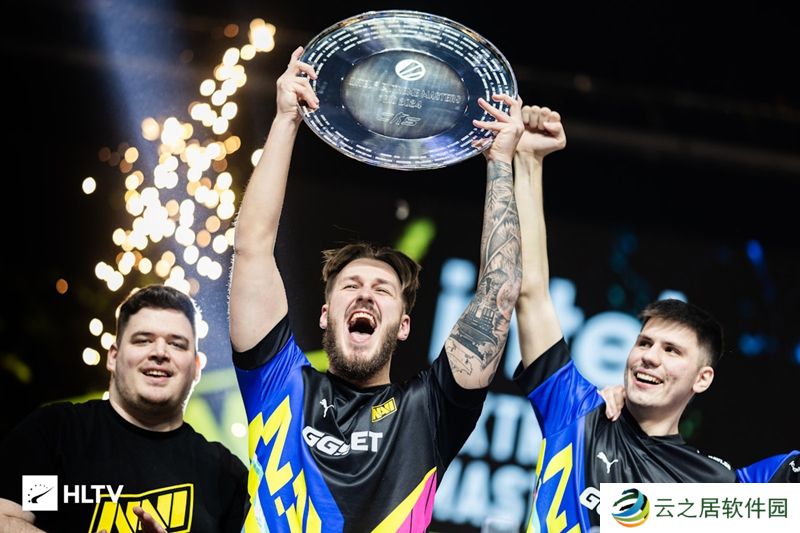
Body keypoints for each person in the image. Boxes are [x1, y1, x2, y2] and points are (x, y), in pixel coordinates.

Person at [228, 46, 523, 532]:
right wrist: (285, 121)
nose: (365, 294)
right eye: (351, 285)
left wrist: (500, 161)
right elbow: (253, 248)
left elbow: (498, 294)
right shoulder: (278, 384)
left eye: (383, 290)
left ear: (403, 325)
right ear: (325, 314)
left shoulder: (429, 412)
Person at [511, 105, 738, 532]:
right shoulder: (576, 412)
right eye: (644, 343)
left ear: (702, 378)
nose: (649, 356)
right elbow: (530, 293)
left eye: (672, 350)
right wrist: (527, 160)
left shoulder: (714, 486)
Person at [0, 284, 248, 533]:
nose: (160, 352)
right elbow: (7, 518)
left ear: (196, 367)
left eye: (176, 344)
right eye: (143, 340)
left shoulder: (223, 474)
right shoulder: (58, 436)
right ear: (113, 357)